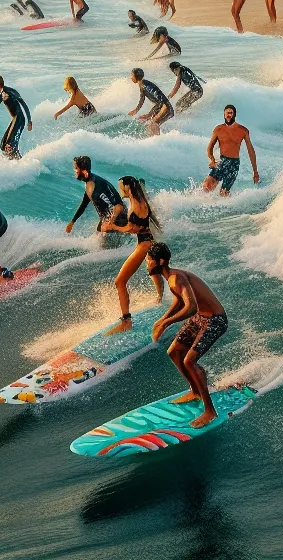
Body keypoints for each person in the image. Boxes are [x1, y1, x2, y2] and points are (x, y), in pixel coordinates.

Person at [148, 242, 229, 429]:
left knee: (189, 361)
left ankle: (210, 411)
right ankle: (195, 390)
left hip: (215, 320)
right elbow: (179, 302)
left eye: (149, 261)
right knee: (174, 352)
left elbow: (191, 307)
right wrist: (161, 321)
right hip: (202, 318)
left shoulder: (175, 278)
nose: (147, 264)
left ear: (160, 261)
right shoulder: (171, 278)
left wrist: (167, 323)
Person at [100, 175, 165, 335]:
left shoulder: (136, 205)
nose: (119, 189)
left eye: (121, 186)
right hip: (148, 241)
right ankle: (160, 297)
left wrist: (113, 226)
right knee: (153, 272)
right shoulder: (140, 201)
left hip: (144, 244)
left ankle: (126, 321)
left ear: (128, 187)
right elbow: (144, 224)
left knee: (120, 282)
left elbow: (132, 229)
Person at [203, 104, 260, 195]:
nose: (229, 115)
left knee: (224, 193)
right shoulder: (218, 129)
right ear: (224, 114)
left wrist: (255, 172)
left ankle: (225, 207)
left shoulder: (243, 130)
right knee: (207, 185)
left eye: (231, 113)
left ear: (235, 115)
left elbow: (251, 151)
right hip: (222, 161)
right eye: (227, 113)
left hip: (234, 164)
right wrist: (212, 160)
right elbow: (210, 147)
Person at [66, 155, 127, 233]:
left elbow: (118, 206)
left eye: (76, 168)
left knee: (101, 243)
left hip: (117, 221)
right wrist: (72, 222)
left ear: (84, 171)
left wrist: (110, 223)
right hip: (107, 220)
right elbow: (84, 204)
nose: (74, 171)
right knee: (96, 240)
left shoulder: (96, 185)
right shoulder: (90, 183)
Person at [129, 67, 173, 135]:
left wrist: (158, 114)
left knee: (152, 123)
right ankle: (158, 137)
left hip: (165, 108)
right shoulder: (142, 84)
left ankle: (157, 140)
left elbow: (163, 102)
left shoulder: (147, 86)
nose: (131, 77)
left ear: (136, 76)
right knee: (144, 120)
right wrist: (136, 110)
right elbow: (142, 98)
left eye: (132, 75)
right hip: (159, 107)